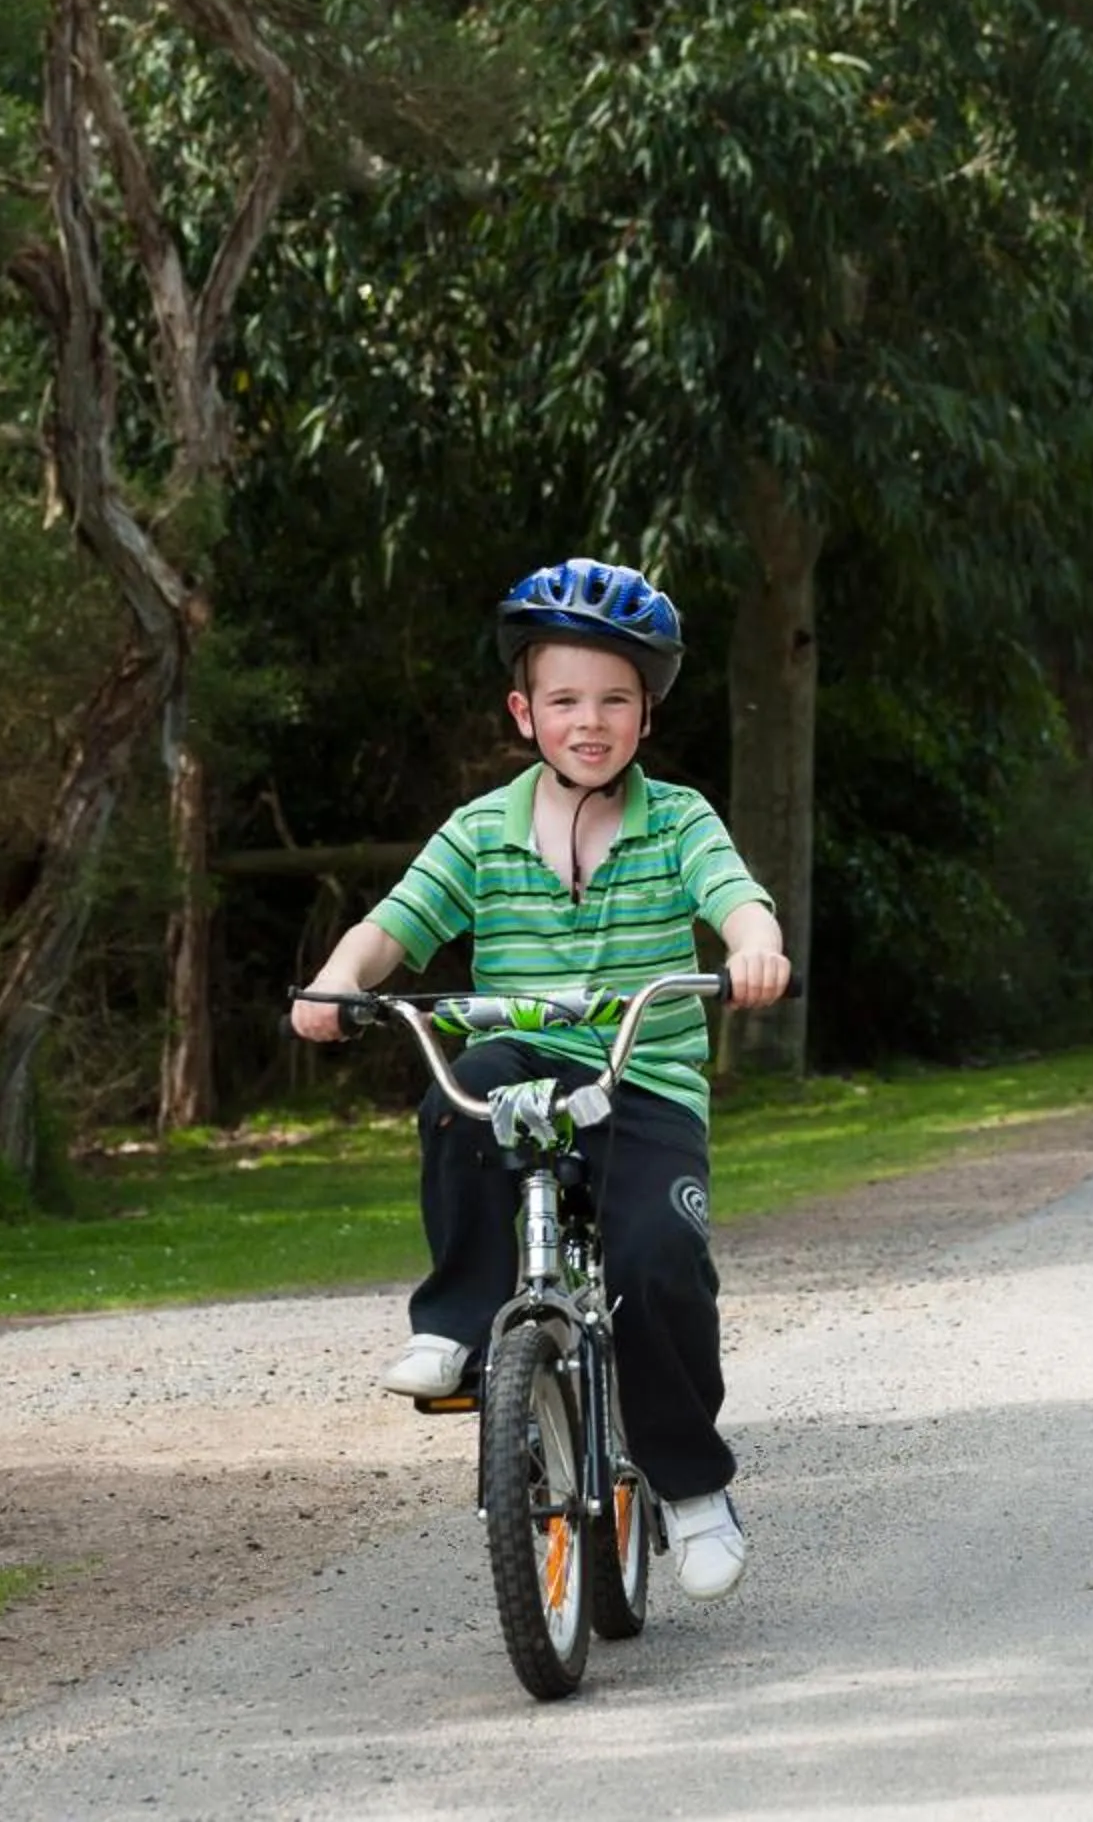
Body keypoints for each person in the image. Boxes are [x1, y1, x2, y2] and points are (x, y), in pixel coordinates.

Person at [288, 557, 791, 1598]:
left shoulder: (681, 818)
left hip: (642, 1078)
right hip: (527, 1065)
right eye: (566, 699)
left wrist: (755, 946)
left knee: (658, 1263)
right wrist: (336, 984)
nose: (590, 721)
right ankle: (458, 1324)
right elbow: (392, 928)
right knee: (460, 1087)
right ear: (525, 711)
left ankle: (692, 1487)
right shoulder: (480, 831)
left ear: (647, 714)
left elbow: (737, 898)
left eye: (616, 699)